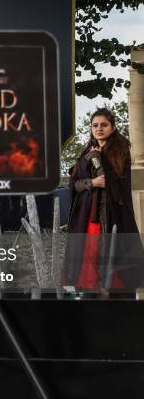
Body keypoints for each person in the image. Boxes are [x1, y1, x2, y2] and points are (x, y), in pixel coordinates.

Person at [65, 108, 144, 289]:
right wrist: (92, 183)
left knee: (113, 257)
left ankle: (115, 297)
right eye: (95, 125)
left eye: (104, 125)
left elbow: (112, 181)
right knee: (89, 260)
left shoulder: (120, 152)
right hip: (89, 215)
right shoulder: (86, 153)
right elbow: (74, 184)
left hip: (113, 214)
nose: (99, 129)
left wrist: (96, 158)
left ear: (113, 128)